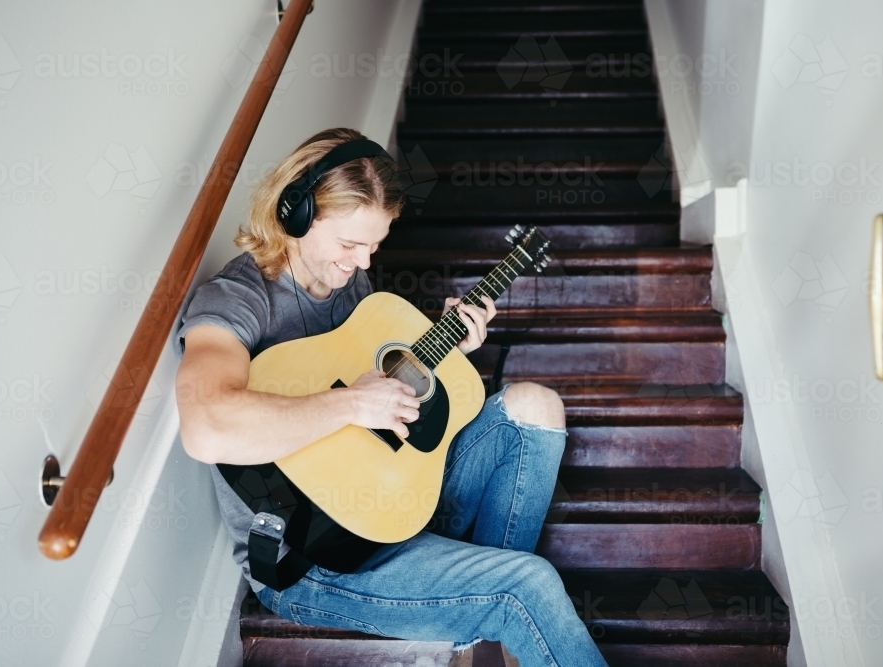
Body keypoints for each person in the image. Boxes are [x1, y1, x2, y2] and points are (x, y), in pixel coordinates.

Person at [174, 127, 608, 667]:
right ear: (295, 213)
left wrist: (449, 348)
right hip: (313, 559)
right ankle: (494, 610)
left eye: (374, 246)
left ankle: (479, 612)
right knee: (529, 583)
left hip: (389, 499)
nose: (361, 263)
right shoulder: (237, 300)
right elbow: (205, 424)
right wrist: (352, 404)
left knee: (535, 407)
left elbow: (380, 394)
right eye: (349, 244)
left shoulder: (349, 285)